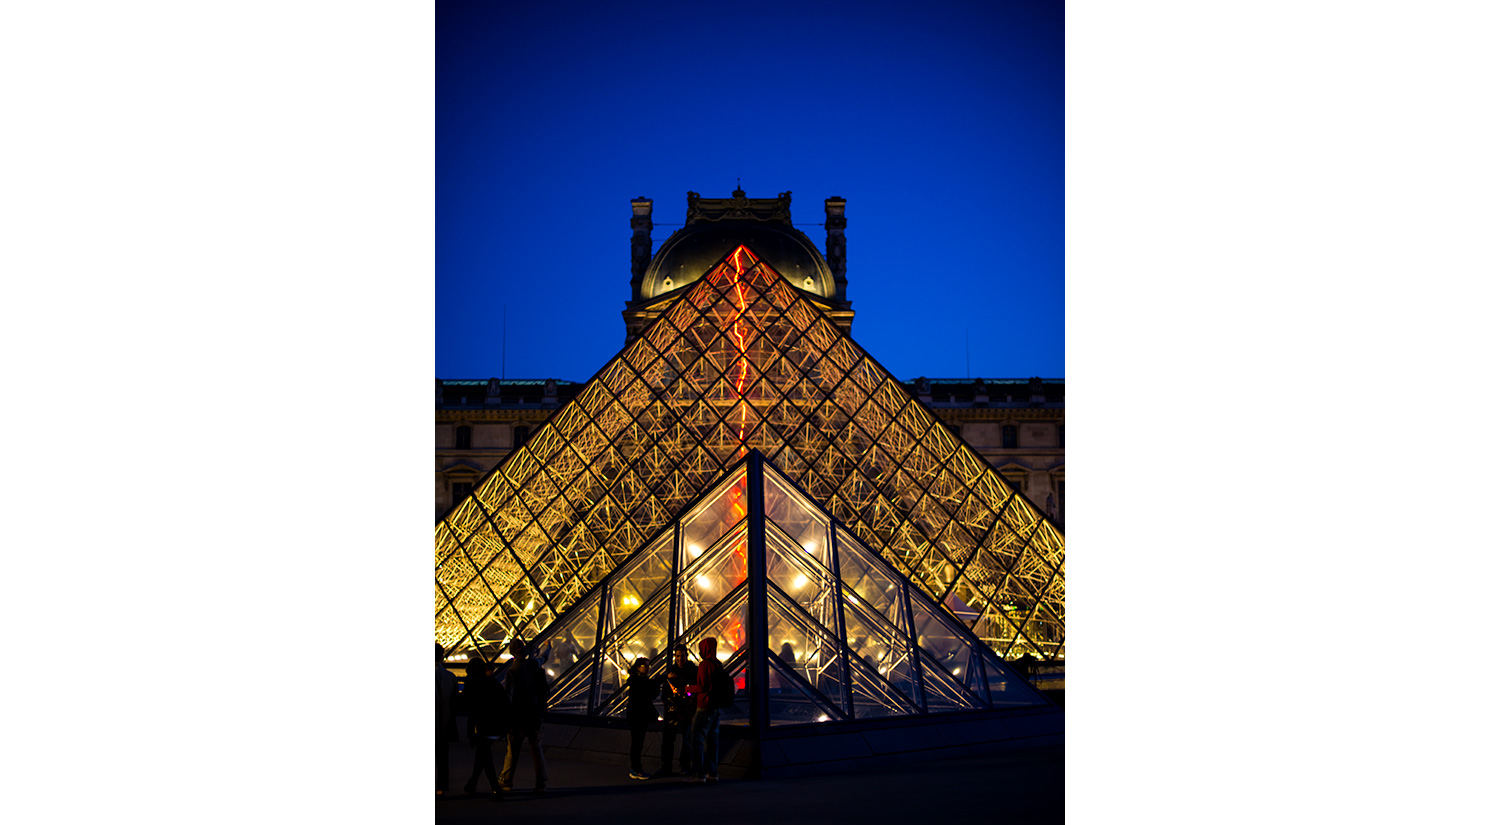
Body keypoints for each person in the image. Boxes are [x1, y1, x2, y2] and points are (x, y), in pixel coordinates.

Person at [501, 638, 549, 792]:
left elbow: (508, 696)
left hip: (518, 716)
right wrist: (548, 646)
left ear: (512, 652)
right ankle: (541, 782)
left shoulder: (512, 671)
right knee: (536, 748)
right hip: (535, 713)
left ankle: (506, 781)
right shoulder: (534, 664)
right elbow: (544, 657)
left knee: (513, 751)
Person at [461, 659, 508, 798]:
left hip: (480, 726)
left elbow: (464, 703)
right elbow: (504, 702)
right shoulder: (493, 683)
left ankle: (495, 788)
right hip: (495, 725)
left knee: (484, 757)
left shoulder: (471, 683)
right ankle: (472, 784)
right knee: (482, 755)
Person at [685, 637, 728, 784]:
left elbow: (701, 686)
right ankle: (712, 773)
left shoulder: (704, 665)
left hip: (704, 706)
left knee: (696, 740)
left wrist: (688, 689)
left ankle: (699, 774)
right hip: (716, 707)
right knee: (713, 741)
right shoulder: (718, 664)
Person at [654, 643, 696, 777]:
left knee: (686, 740)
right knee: (668, 740)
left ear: (686, 656)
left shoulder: (691, 670)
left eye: (682, 656)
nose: (680, 659)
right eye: (677, 656)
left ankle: (683, 766)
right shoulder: (672, 671)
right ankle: (667, 766)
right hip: (672, 710)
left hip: (686, 710)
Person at [625, 657, 657, 780]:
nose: (648, 668)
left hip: (636, 715)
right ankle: (636, 769)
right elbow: (650, 695)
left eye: (648, 666)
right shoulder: (638, 681)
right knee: (637, 743)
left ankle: (636, 769)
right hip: (637, 715)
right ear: (638, 667)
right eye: (645, 666)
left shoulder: (637, 680)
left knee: (637, 743)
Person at [435, 644, 459, 797]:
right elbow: (455, 701)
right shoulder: (450, 677)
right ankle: (441, 787)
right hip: (444, 723)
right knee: (442, 757)